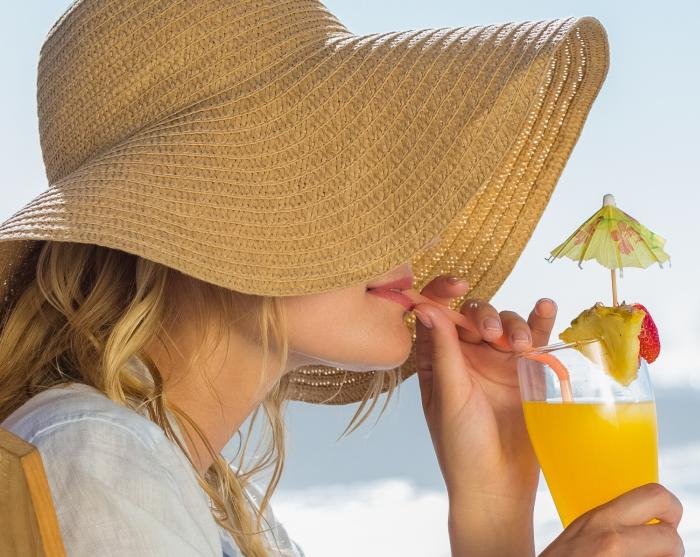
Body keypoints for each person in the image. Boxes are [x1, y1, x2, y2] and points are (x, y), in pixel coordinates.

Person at [0, 1, 683, 556]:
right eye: (343, 186)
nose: (417, 237)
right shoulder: (100, 459)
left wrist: (494, 506)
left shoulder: (209, 500)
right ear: (200, 215)